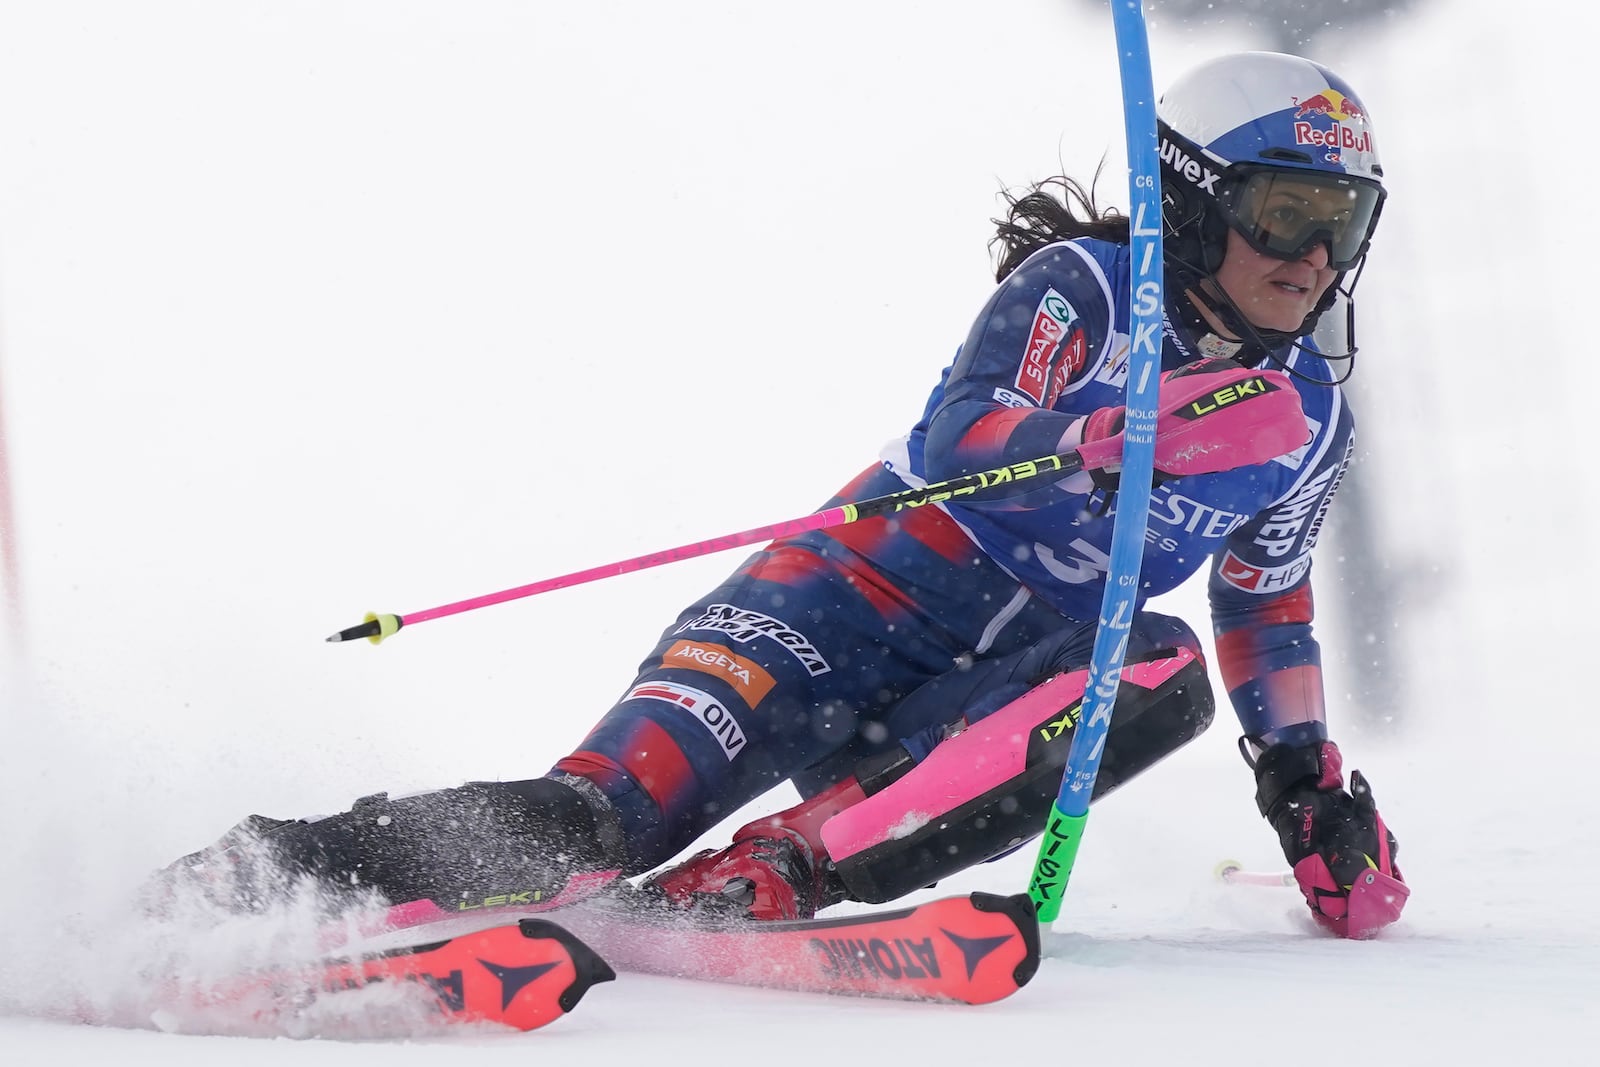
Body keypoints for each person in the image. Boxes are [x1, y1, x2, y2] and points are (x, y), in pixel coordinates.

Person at [164, 51, 1407, 940]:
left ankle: (778, 871)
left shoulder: (1307, 422)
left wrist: (1303, 792)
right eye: (1285, 212)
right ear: (1191, 195)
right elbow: (962, 434)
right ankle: (261, 877)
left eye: (1340, 226)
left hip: (979, 694)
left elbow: (1268, 600)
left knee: (1162, 666)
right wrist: (1108, 436)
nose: (1311, 260)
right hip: (830, 610)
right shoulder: (1086, 288)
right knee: (595, 822)